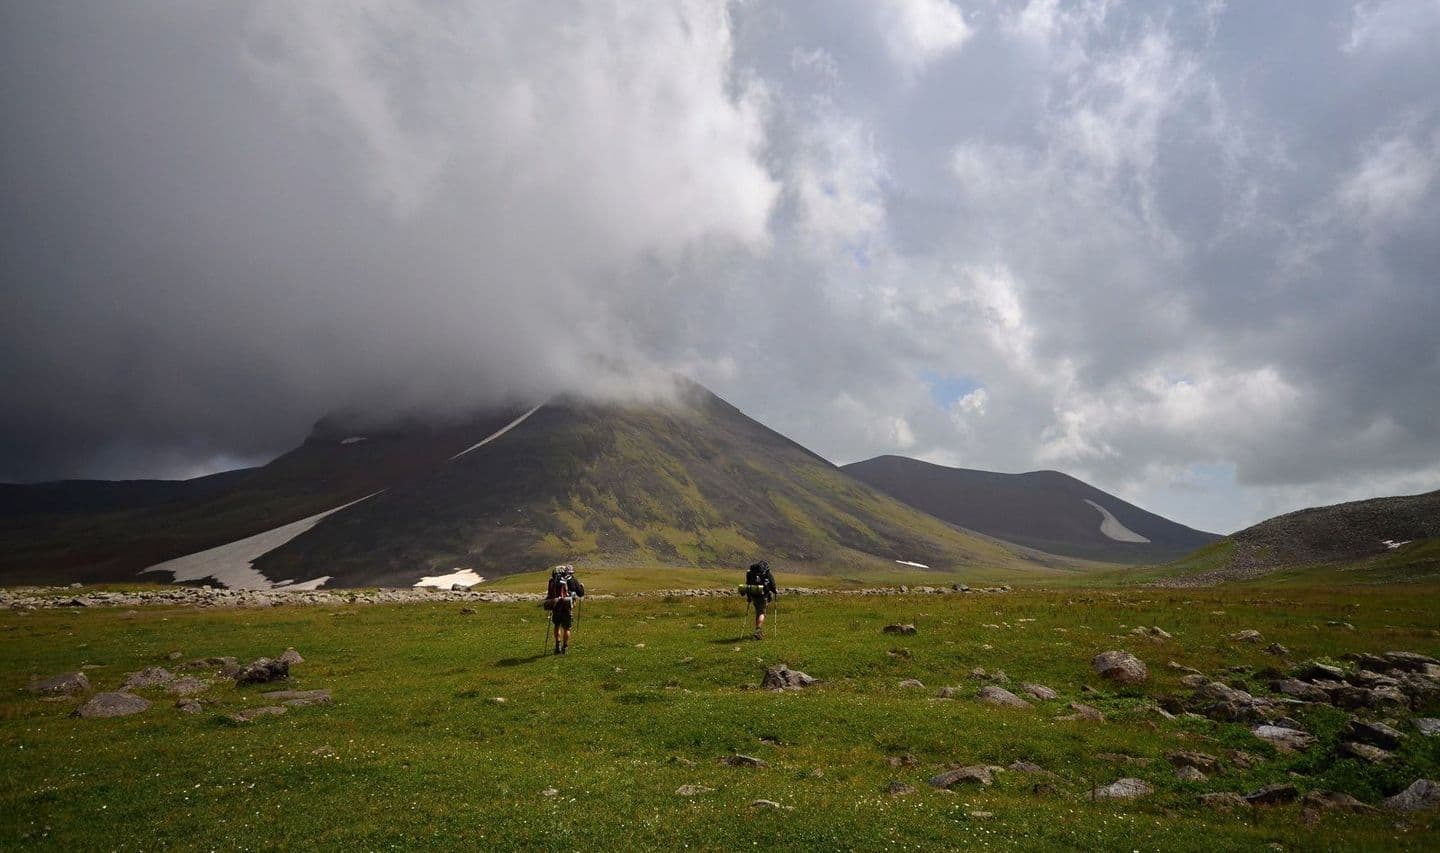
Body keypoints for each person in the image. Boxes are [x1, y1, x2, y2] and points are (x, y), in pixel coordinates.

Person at [546, 564, 584, 654]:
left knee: (556, 625)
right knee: (567, 628)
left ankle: (557, 645)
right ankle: (565, 647)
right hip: (567, 606)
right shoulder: (572, 580)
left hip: (556, 605)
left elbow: (550, 593)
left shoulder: (553, 581)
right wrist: (582, 586)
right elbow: (580, 594)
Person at [744, 559, 777, 640]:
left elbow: (748, 584)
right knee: (762, 613)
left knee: (758, 612)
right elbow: (773, 585)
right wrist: (775, 591)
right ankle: (758, 630)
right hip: (763, 596)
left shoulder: (751, 573)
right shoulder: (767, 573)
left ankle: (758, 631)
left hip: (753, 595)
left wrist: (749, 597)